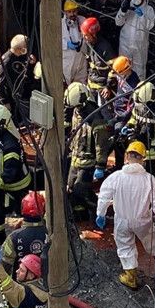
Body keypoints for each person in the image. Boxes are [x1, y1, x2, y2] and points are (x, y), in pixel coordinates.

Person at [95, 141, 155, 290]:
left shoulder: (116, 177)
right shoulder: (149, 179)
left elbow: (104, 197)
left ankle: (131, 277)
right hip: (143, 221)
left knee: (125, 246)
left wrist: (101, 214)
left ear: (126, 156)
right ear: (143, 159)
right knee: (154, 243)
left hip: (122, 220)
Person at [0, 104, 33, 249]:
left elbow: (10, 172)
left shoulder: (11, 146)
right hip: (2, 181)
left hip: (17, 184)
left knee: (24, 211)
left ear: (1, 125)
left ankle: (30, 238)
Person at [64, 82, 109, 221]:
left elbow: (101, 144)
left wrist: (100, 165)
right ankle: (81, 215)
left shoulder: (96, 118)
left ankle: (99, 212)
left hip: (88, 163)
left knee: (81, 191)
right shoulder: (76, 111)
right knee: (70, 188)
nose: (76, 109)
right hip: (75, 158)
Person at [104, 55, 140, 171]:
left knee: (117, 140)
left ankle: (118, 167)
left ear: (126, 70)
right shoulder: (119, 71)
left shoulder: (133, 84)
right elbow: (112, 73)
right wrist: (108, 87)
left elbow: (132, 106)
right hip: (116, 110)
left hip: (124, 116)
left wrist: (121, 119)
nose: (117, 76)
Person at [124, 81, 155, 181]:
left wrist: (137, 135)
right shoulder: (139, 104)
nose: (140, 106)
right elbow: (134, 116)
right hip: (141, 148)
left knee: (151, 178)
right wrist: (129, 125)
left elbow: (152, 131)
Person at [114, 0, 155, 79]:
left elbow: (149, 26)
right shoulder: (127, 4)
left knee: (139, 69)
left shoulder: (148, 10)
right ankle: (122, 86)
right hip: (125, 42)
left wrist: (142, 16)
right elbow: (118, 22)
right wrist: (123, 11)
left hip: (140, 45)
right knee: (123, 66)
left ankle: (140, 87)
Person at [1, 190, 47, 276]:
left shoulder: (14, 237)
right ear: (43, 210)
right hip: (47, 280)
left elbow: (5, 266)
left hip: (21, 281)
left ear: (23, 209)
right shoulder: (51, 232)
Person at [0, 34, 38, 125]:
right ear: (20, 49)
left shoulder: (21, 56)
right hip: (14, 99)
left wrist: (31, 64)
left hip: (24, 93)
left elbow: (24, 70)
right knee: (17, 122)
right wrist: (5, 102)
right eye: (25, 48)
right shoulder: (6, 62)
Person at [79, 17, 117, 100]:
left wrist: (108, 87)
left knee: (104, 108)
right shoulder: (91, 44)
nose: (84, 37)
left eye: (86, 35)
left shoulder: (105, 48)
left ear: (94, 35)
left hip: (103, 90)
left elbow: (114, 69)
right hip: (92, 86)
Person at [61, 0, 87, 85]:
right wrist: (67, 44)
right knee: (66, 85)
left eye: (74, 11)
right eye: (69, 12)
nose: (72, 14)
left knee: (81, 85)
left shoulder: (82, 20)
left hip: (81, 59)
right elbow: (54, 42)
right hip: (67, 61)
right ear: (65, 12)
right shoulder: (60, 24)